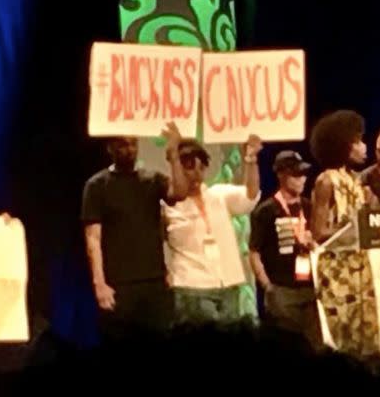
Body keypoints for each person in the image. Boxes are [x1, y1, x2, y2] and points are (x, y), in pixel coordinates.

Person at [81, 123, 189, 341]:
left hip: (154, 282)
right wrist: (99, 283)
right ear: (110, 148)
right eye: (122, 145)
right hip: (119, 285)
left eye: (133, 144)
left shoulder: (151, 179)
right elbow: (93, 238)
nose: (129, 150)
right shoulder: (97, 185)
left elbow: (179, 192)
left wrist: (174, 153)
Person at [163, 136, 262, 325]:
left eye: (201, 167)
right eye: (189, 167)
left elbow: (250, 195)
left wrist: (250, 160)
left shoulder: (218, 195)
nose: (196, 174)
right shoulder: (168, 205)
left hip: (228, 285)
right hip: (191, 286)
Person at [310, 110, 380, 356]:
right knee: (345, 340)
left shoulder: (358, 182)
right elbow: (318, 231)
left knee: (369, 337)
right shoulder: (326, 181)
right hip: (338, 270)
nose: (364, 147)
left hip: (360, 265)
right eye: (358, 141)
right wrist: (346, 228)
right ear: (343, 146)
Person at [250, 150, 323, 351]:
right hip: (281, 291)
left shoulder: (310, 207)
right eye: (296, 175)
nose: (302, 180)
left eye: (304, 175)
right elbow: (254, 252)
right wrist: (267, 286)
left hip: (309, 289)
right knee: (285, 349)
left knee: (314, 348)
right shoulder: (265, 211)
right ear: (281, 175)